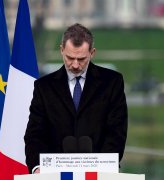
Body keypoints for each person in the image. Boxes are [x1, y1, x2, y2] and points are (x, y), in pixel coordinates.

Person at [24, 23, 128, 174]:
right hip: (54, 174)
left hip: (98, 173)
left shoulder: (112, 82)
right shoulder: (43, 87)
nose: (75, 65)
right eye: (70, 58)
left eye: (81, 59)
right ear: (61, 50)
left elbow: (117, 131)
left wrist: (105, 167)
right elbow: (35, 133)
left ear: (92, 53)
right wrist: (37, 167)